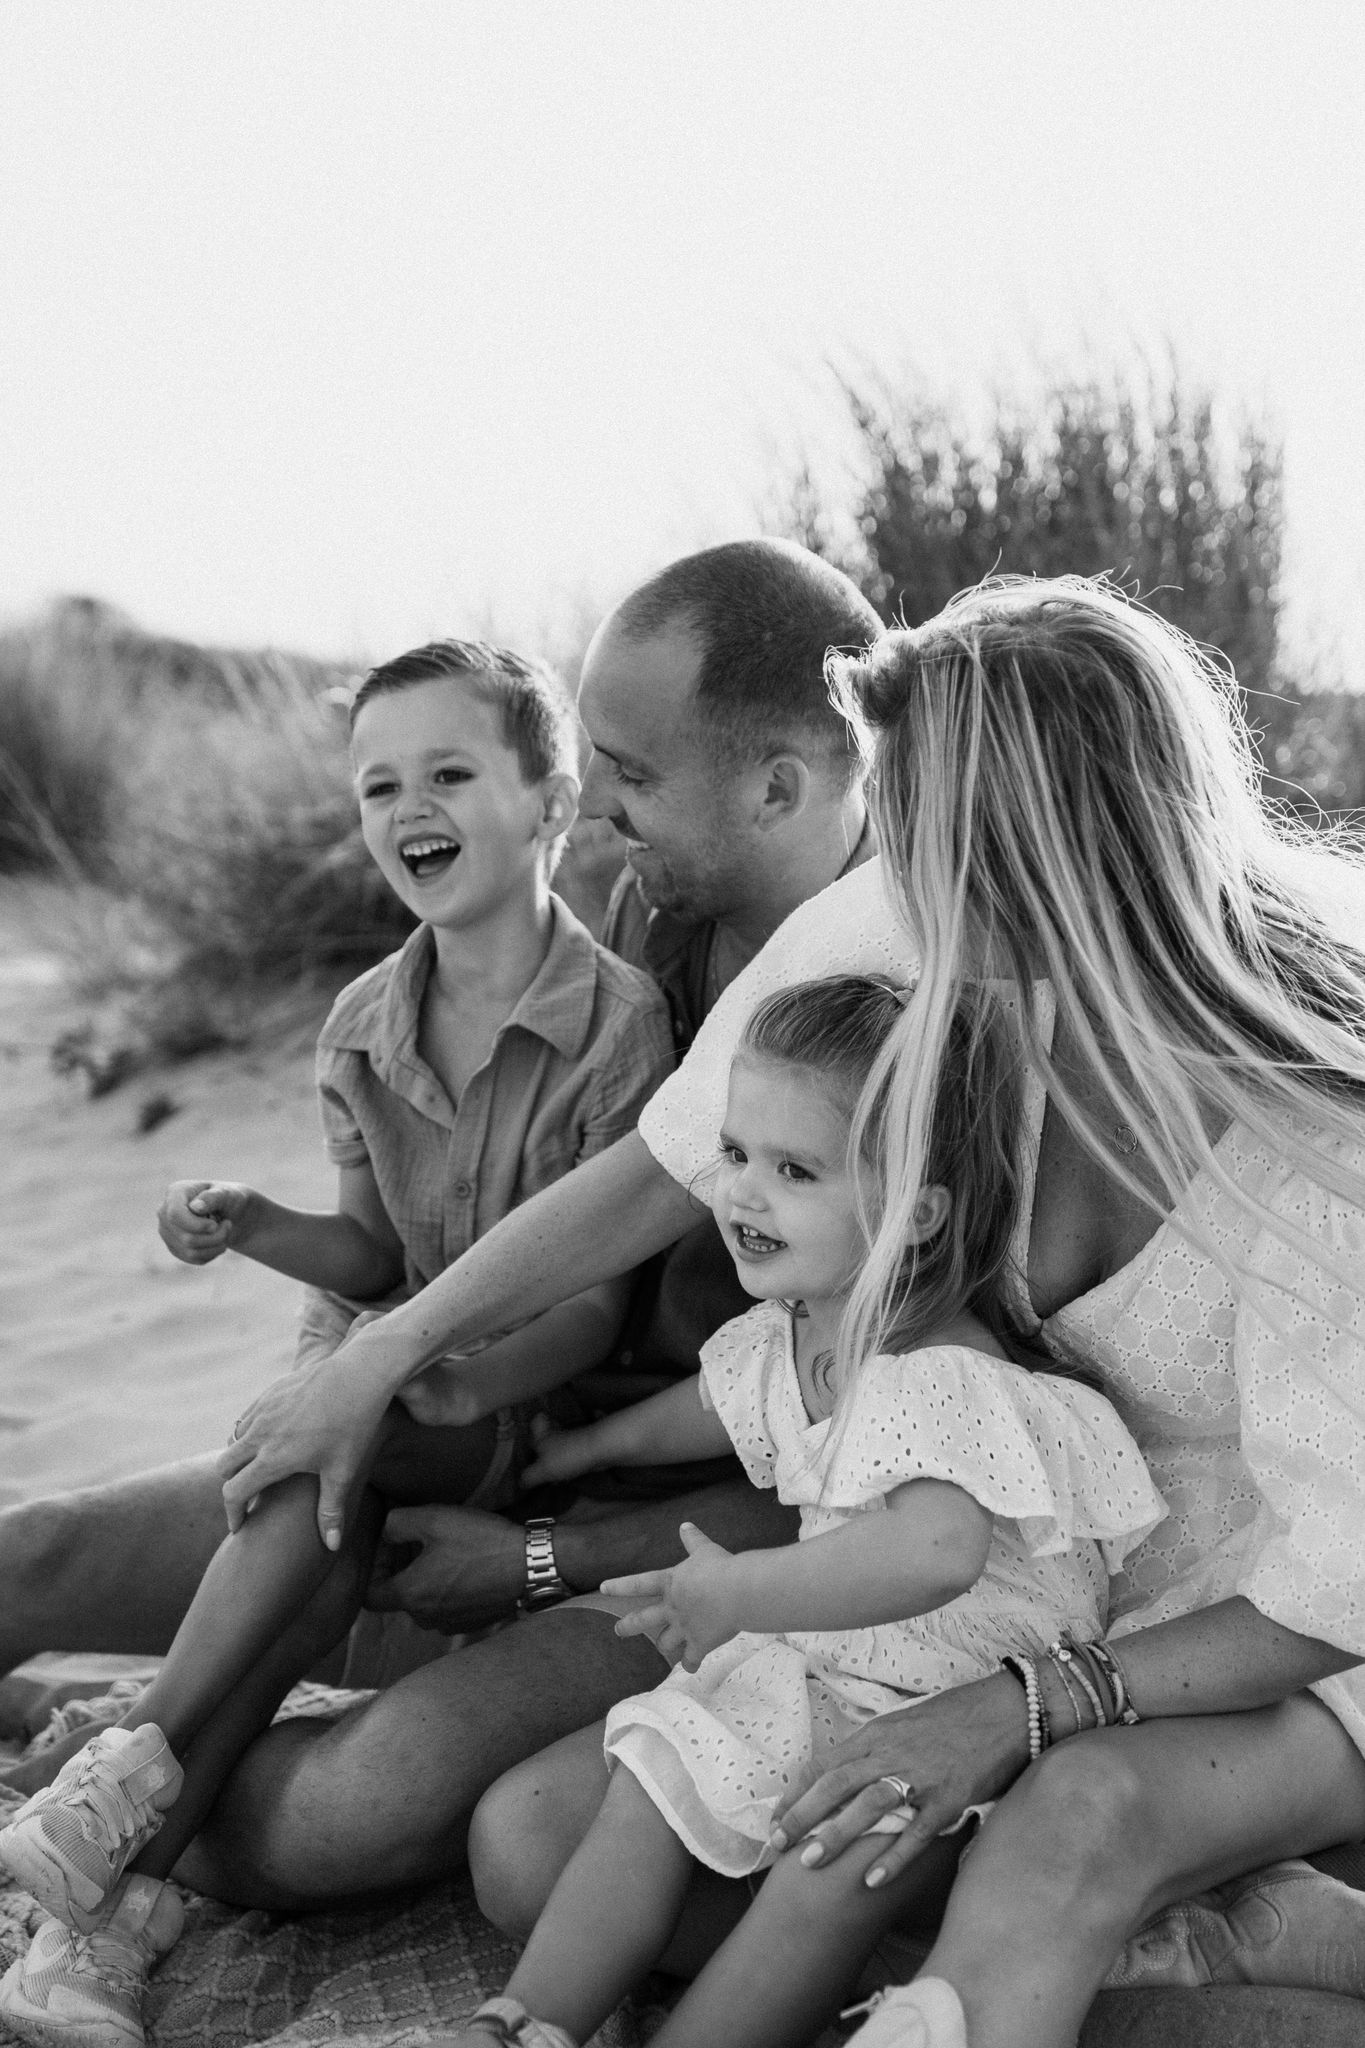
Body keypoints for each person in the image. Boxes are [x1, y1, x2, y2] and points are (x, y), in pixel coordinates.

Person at [220, 576, 1365, 2047]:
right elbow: (669, 1166)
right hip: (1007, 1585)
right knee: (536, 1844)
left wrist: (1018, 1707)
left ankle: (1118, 1919)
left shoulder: (1316, 1139)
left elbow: (1337, 1588)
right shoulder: (935, 951)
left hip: (1280, 1649)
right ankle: (1163, 1944)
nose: (888, 863)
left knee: (1069, 1811)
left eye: (918, 825)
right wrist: (387, 1352)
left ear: (1036, 847)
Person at [0, 539, 883, 1911]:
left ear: (777, 787)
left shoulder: (892, 1014)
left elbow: (846, 1472)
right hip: (482, 1441)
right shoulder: (649, 917)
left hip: (673, 1539)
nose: (600, 815)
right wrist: (364, 1362)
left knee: (332, 1816)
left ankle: (105, 1757)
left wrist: (537, 1559)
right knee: (36, 1553)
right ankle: (143, 1722)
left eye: (631, 776)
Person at [0, 634, 678, 2047]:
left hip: (515, 1420)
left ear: (552, 801)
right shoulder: (364, 1023)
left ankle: (130, 1767)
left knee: (342, 1447)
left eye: (449, 773)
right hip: (369, 1421)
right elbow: (369, 1254)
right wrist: (257, 1224)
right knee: (205, 1524)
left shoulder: (621, 1022)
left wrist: (447, 1379)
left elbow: (595, 1303)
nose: (408, 807)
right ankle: (112, 1900)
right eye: (379, 786)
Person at [451, 973, 1163, 2048]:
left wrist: (742, 1590)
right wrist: (583, 1449)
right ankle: (524, 2024)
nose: (743, 1193)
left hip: (965, 1704)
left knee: (827, 1864)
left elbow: (937, 1550)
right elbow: (707, 1408)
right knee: (656, 1771)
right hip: (838, 1669)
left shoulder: (934, 1369)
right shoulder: (795, 1330)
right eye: (736, 1153)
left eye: (795, 1170)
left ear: (911, 1211)